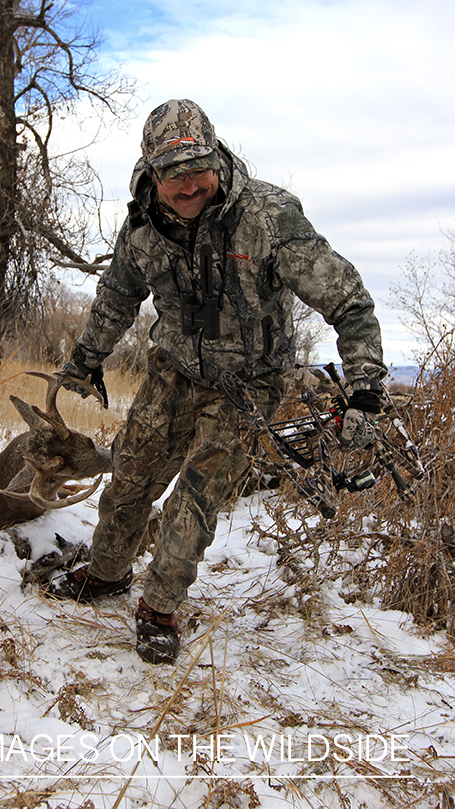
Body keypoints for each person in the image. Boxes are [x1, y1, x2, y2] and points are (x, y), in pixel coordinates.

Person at [47, 98, 387, 665]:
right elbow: (116, 297)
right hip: (175, 367)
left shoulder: (270, 219)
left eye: (198, 167)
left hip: (249, 383)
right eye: (171, 173)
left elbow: (349, 301)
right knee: (131, 473)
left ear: (218, 158)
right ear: (151, 174)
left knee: (196, 496)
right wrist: (85, 359)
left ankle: (159, 608)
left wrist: (367, 389)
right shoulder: (141, 226)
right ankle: (106, 573)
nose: (187, 184)